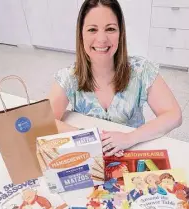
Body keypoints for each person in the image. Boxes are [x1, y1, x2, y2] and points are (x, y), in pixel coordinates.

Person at [48, 0, 182, 157]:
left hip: (133, 155)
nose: (102, 39)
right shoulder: (68, 77)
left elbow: (174, 115)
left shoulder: (141, 70)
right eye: (92, 29)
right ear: (81, 34)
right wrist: (87, 137)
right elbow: (44, 122)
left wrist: (129, 137)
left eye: (110, 29)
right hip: (91, 158)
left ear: (121, 33)